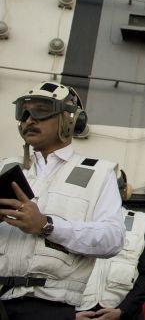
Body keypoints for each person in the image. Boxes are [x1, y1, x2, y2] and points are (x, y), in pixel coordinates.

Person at [0, 81, 125, 320]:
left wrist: (47, 226)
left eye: (42, 110)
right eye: (24, 112)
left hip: (48, 306)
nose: (29, 119)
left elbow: (112, 239)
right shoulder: (5, 167)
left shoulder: (98, 172)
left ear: (71, 119)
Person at [76, 170, 145, 320]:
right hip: (79, 312)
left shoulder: (141, 222)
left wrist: (123, 311)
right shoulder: (73, 221)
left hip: (123, 314)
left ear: (124, 191)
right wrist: (70, 315)